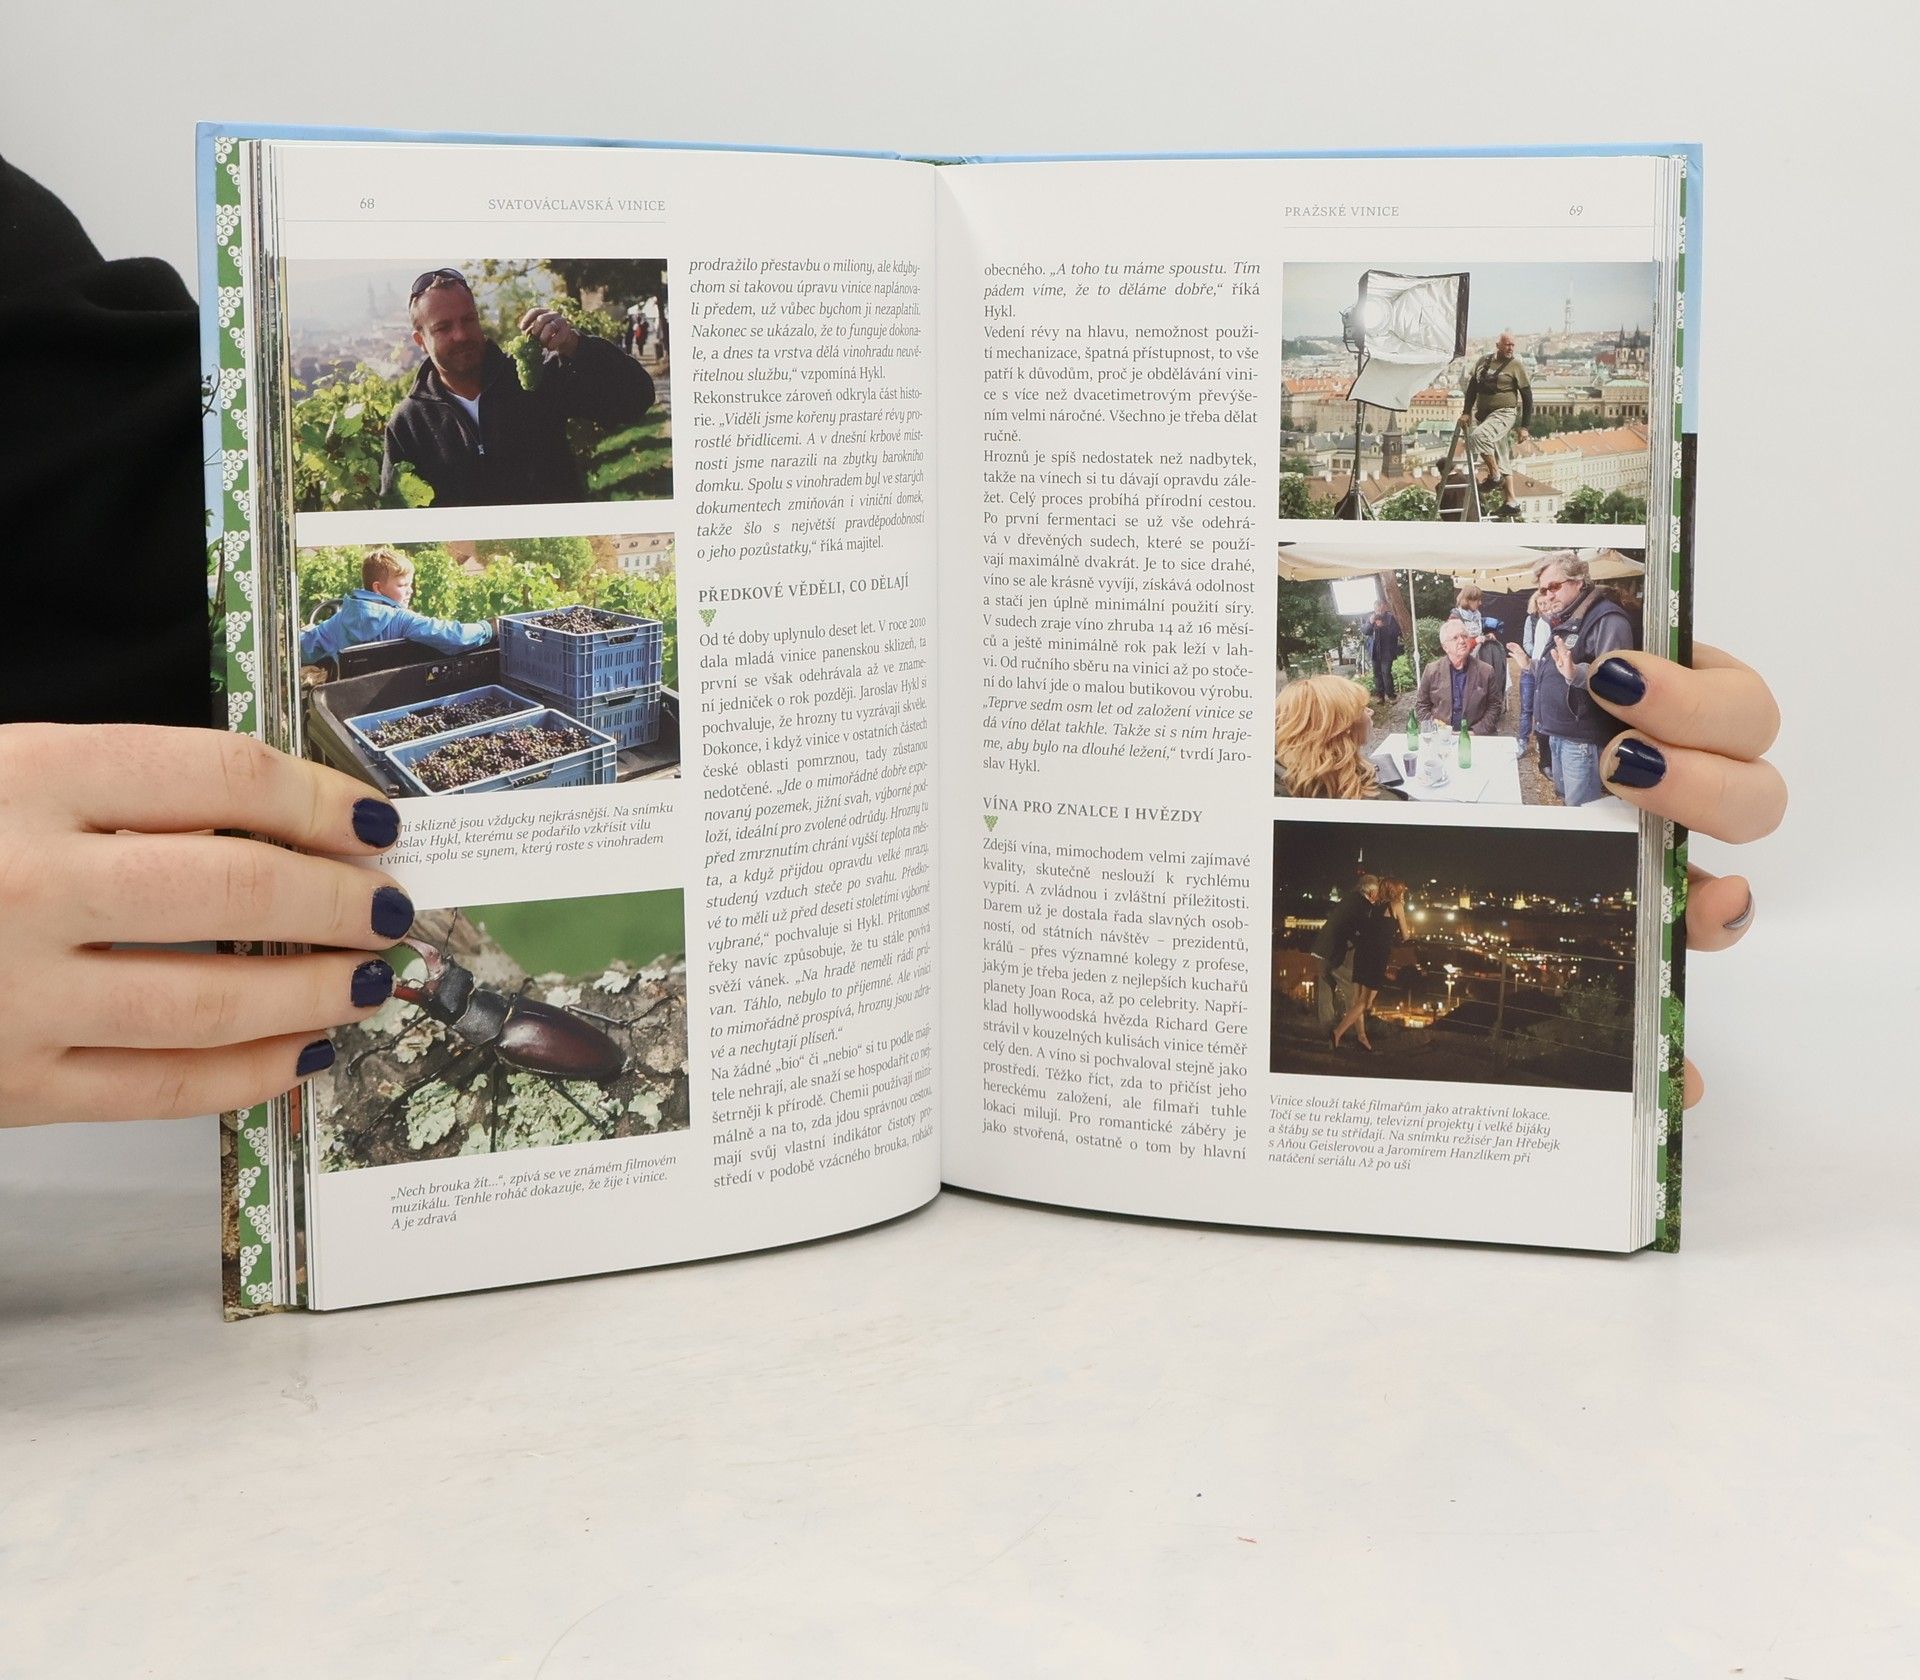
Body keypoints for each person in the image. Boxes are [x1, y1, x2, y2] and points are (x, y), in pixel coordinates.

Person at [0, 156, 1783, 1123]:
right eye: (438, 325)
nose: (457, 339)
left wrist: (1614, 654)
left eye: (471, 318)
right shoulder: (407, 423)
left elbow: (136, 511)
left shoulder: (484, 393)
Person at [380, 269, 655, 508]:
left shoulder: (536, 377)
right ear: (420, 340)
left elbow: (636, 398)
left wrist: (575, 345)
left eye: (468, 320)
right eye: (443, 328)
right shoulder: (408, 424)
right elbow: (401, 516)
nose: (461, 334)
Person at [1529, 551, 1636, 807]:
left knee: (1582, 812)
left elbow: (1618, 683)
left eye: (1554, 586)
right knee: (1567, 804)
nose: (1548, 595)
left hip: (1581, 741)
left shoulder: (1607, 618)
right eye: (1543, 590)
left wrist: (1576, 673)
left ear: (1578, 581)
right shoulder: (1568, 616)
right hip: (1560, 734)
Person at [298, 549, 494, 669]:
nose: (410, 591)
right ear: (378, 588)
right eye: (402, 585)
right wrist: (488, 628)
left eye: (410, 584)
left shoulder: (340, 620)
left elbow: (303, 648)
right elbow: (454, 636)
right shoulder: (402, 619)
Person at [1274, 676, 1407, 801]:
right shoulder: (1373, 802)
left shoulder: (1281, 777)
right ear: (1343, 726)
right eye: (1362, 709)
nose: (1370, 712)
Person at [1331, 879, 1412, 1052]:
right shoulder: (1396, 905)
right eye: (1402, 891)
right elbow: (1406, 935)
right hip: (1377, 956)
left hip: (1362, 952)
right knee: (1365, 1002)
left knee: (1357, 1000)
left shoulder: (1373, 906)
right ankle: (1337, 1032)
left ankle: (1362, 1038)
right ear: (1397, 891)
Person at [1459, 329, 1534, 491]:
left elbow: (1527, 396)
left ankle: (1495, 477)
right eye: (1507, 345)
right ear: (1498, 345)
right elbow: (1472, 388)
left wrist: (1525, 427)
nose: (1510, 348)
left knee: (1479, 437)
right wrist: (1466, 412)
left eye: (1513, 345)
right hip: (1484, 416)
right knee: (1501, 454)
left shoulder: (1516, 365)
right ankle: (1510, 500)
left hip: (1503, 414)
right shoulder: (1483, 361)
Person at [1312, 872, 1381, 1038]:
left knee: (1326, 990)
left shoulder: (1348, 899)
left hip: (1319, 950)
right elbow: (1359, 931)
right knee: (1353, 993)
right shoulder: (1364, 906)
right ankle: (1355, 1031)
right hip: (1334, 954)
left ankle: (1326, 1028)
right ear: (1372, 892)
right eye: (1377, 893)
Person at [1413, 619, 1505, 735]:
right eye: (1455, 638)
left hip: (1475, 736)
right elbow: (1421, 706)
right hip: (1441, 735)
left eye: (1465, 636)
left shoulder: (1486, 671)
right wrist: (1438, 729)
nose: (1462, 641)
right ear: (1445, 647)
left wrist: (1475, 732)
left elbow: (1495, 706)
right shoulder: (1432, 671)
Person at [1509, 590, 1556, 765]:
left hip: (1547, 669)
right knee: (1527, 708)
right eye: (1540, 604)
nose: (1543, 607)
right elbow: (1527, 643)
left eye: (1545, 603)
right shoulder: (1532, 620)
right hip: (1531, 667)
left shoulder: (1557, 620)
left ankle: (1541, 740)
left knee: (1543, 707)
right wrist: (1535, 656)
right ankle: (1522, 740)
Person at [1360, 599, 1402, 703]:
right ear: (1374, 608)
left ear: (1384, 608)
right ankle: (1380, 696)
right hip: (1375, 650)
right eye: (1377, 609)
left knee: (1386, 673)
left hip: (1387, 650)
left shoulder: (1390, 617)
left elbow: (1396, 632)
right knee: (1376, 674)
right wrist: (1370, 622)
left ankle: (1391, 696)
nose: (1379, 611)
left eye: (1381, 609)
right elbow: (1365, 631)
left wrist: (1383, 627)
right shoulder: (1371, 617)